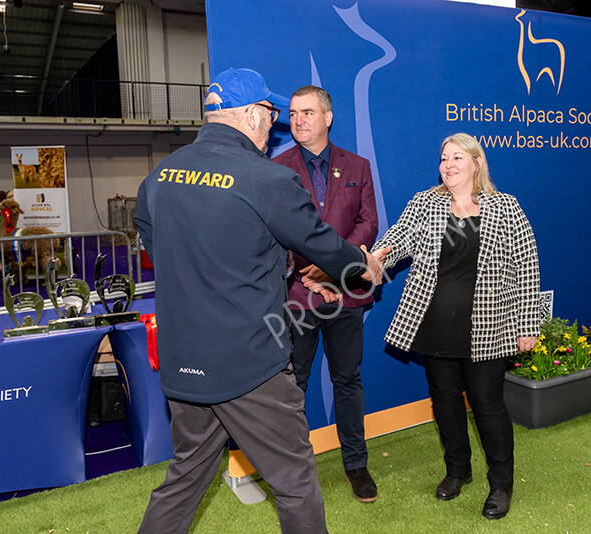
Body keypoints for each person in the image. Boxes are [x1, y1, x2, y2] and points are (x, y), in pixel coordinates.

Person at [133, 68, 386, 534]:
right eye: (271, 114)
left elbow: (160, 250)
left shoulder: (157, 179)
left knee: (185, 477)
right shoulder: (267, 179)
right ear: (250, 115)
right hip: (249, 363)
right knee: (294, 481)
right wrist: (363, 266)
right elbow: (325, 247)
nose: (275, 125)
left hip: (183, 362)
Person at [372, 133, 540, 520]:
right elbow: (398, 240)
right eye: (444, 158)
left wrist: (528, 324)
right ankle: (457, 471)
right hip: (434, 325)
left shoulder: (506, 208)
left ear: (476, 163)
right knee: (445, 401)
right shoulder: (425, 203)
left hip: (488, 329)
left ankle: (500, 484)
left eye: (457, 157)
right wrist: (379, 256)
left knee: (488, 405)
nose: (448, 164)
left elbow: (527, 271)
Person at [272, 85, 379, 503]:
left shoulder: (358, 165)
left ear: (328, 117)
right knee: (293, 384)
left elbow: (368, 224)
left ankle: (357, 465)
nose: (298, 120)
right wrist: (310, 273)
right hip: (298, 296)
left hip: (346, 294)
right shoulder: (277, 169)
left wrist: (334, 270)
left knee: (347, 381)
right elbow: (277, 230)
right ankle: (293, 472)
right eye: (294, 113)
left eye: (308, 112)